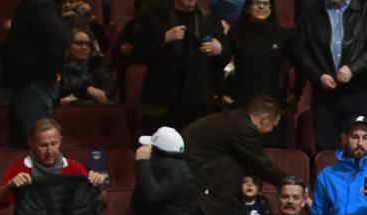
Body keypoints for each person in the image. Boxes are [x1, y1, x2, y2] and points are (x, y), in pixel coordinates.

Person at [182, 97, 293, 215]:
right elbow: (261, 164)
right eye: (272, 126)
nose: (270, 131)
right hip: (194, 187)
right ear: (264, 119)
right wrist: (290, 183)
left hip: (189, 181)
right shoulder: (243, 129)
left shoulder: (235, 120)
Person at [288, 0, 367, 152]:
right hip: (325, 94)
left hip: (358, 92)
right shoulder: (310, 12)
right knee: (327, 152)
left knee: (362, 150)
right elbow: (299, 50)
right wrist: (319, 75)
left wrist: (353, 69)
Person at [130, 0, 229, 135]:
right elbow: (138, 53)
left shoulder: (209, 20)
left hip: (197, 103)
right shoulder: (154, 17)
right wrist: (164, 38)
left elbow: (225, 57)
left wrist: (220, 50)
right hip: (162, 102)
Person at [0, 0, 66, 145]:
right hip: (26, 83)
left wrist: (49, 72)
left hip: (34, 84)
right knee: (23, 142)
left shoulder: (39, 3)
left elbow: (56, 35)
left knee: (37, 144)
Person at [220, 0, 288, 127]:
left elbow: (299, 64)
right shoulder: (235, 33)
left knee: (271, 143)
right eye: (257, 3)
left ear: (271, 8)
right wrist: (222, 89)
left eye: (266, 3)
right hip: (241, 97)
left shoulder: (282, 35)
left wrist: (295, 92)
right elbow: (222, 62)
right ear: (248, 8)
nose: (261, 6)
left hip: (271, 98)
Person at [58, 27, 117, 104]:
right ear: (68, 46)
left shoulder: (97, 65)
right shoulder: (58, 67)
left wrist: (82, 92)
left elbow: (109, 92)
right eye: (79, 43)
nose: (84, 47)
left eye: (87, 44)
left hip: (92, 109)